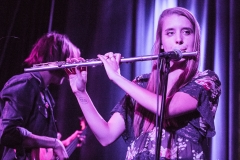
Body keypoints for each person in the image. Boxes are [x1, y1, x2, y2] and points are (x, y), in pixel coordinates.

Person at [67, 7, 221, 159]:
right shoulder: (142, 84)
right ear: (161, 42)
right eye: (170, 32)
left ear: (195, 39)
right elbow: (106, 136)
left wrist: (117, 77)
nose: (179, 39)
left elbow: (166, 109)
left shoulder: (206, 81)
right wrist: (81, 92)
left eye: (187, 32)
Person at [0, 32, 83, 160]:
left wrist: (64, 144)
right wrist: (54, 143)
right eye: (70, 61)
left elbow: (39, 147)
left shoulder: (46, 95)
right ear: (59, 58)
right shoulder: (25, 83)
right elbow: (8, 133)